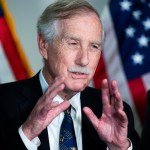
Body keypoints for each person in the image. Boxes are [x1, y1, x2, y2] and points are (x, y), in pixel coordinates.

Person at [0, 0, 140, 149]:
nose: (84, 60)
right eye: (73, 43)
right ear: (43, 45)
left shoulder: (116, 113)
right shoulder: (2, 102)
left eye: (94, 46)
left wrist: (118, 147)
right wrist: (26, 135)